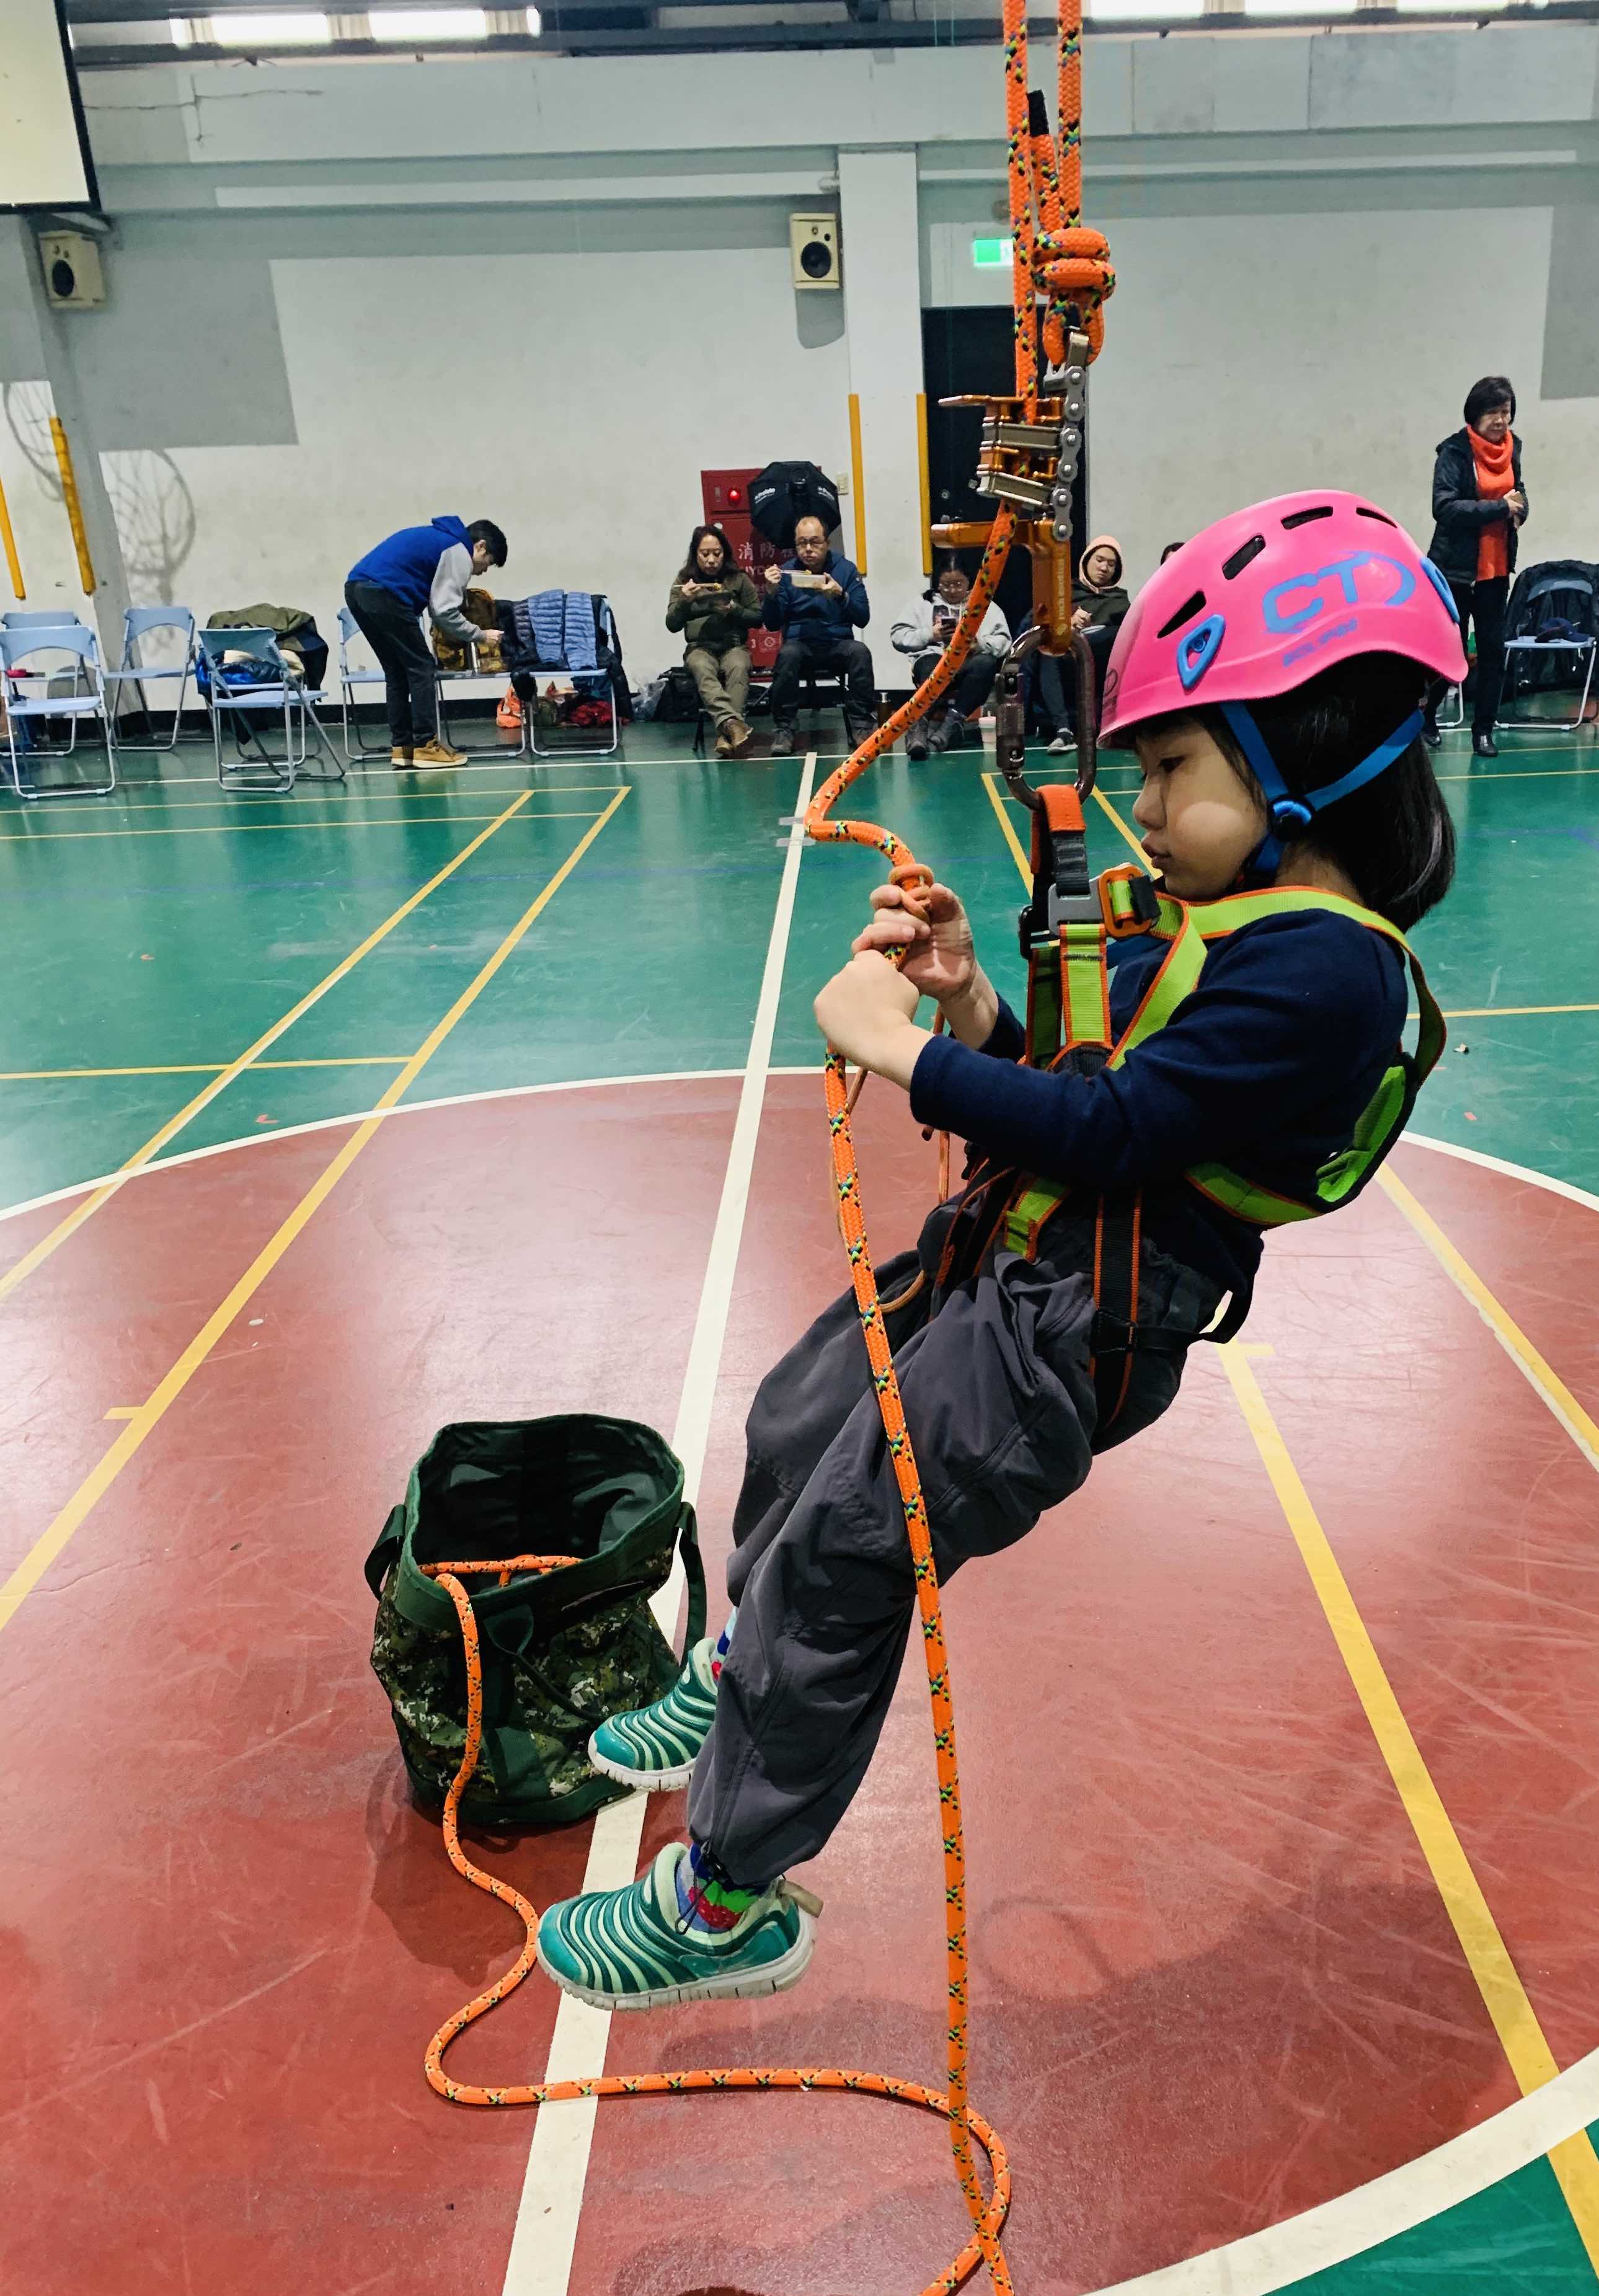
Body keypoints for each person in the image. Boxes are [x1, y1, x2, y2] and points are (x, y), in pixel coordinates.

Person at [532, 490, 1463, 2008]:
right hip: (1009, 1268)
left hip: (1068, 1337)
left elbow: (1113, 1134)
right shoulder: (1235, 923)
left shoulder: (1327, 975)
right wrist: (969, 1002)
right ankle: (739, 1666)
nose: (1144, 805)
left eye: (1172, 768)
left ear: (1306, 753)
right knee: (800, 1418)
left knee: (848, 1560)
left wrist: (900, 1049)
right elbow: (1091, 1087)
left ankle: (724, 1900)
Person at [344, 515, 507, 771]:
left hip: (357, 589)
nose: (484, 571)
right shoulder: (458, 551)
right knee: (422, 668)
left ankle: (403, 747)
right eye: (489, 562)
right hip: (385, 593)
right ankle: (426, 746)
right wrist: (480, 635)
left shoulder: (440, 538)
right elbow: (444, 611)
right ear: (481, 546)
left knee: (397, 671)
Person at [1427, 377, 1526, 758]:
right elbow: (1444, 507)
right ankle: (1427, 717)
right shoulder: (1454, 452)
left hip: (1496, 572)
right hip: (1456, 570)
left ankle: (1483, 730)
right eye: (1493, 412)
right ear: (1475, 414)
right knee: (1449, 652)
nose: (1501, 420)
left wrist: (1521, 510)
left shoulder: (1514, 448)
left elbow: (1520, 492)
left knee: (1492, 653)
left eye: (1506, 412)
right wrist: (1500, 508)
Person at [761, 514, 873, 757]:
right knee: (787, 654)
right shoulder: (786, 572)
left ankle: (862, 725)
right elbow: (771, 624)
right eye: (802, 543)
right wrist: (771, 593)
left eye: (815, 542)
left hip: (837, 644)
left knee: (860, 652)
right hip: (800, 645)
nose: (808, 549)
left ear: (827, 543)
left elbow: (863, 617)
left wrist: (841, 596)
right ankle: (784, 729)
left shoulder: (845, 569)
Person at [890, 562, 1013, 760]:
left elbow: (1004, 642)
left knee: (986, 664)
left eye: (958, 584)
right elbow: (898, 636)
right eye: (946, 585)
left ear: (969, 583)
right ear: (938, 583)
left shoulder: (985, 606)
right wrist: (931, 634)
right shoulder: (922, 604)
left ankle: (950, 726)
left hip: (968, 663)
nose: (952, 590)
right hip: (932, 660)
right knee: (932, 664)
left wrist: (978, 644)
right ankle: (918, 728)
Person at [1029, 534, 1128, 752]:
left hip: (1102, 661)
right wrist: (1067, 623)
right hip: (1068, 657)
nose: (1104, 568)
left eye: (1111, 564)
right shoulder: (1064, 592)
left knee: (1115, 635)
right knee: (1048, 653)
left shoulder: (1120, 600)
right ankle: (1063, 731)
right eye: (1099, 560)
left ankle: (1111, 727)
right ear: (1086, 560)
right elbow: (1037, 624)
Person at [667, 525, 760, 758]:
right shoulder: (684, 581)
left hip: (733, 645)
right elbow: (672, 624)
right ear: (695, 554)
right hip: (699, 647)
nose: (711, 560)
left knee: (739, 666)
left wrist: (734, 610)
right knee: (701, 667)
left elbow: (758, 618)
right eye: (705, 554)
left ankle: (726, 735)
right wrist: (684, 602)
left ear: (724, 553)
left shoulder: (738, 579)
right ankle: (733, 725)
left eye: (717, 554)